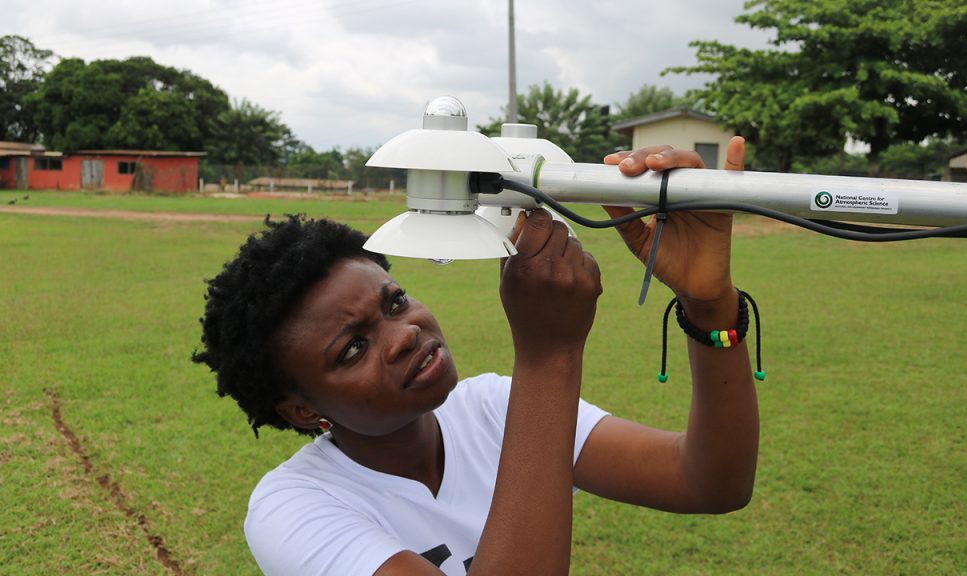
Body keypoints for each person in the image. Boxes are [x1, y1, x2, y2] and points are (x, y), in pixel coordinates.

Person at [192, 138, 759, 575]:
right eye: (354, 348)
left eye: (395, 302)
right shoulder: (292, 508)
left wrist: (709, 305)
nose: (405, 335)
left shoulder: (489, 408)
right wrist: (548, 355)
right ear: (298, 408)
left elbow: (709, 482)